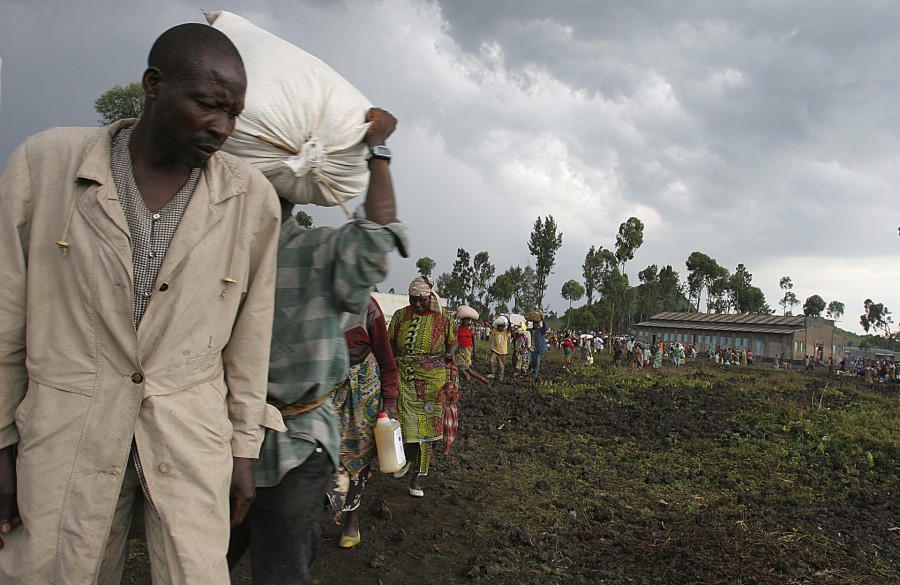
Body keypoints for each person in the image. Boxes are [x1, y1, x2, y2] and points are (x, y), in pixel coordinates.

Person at [0, 24, 282, 584]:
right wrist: (2, 442)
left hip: (189, 431)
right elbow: (7, 318)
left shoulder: (251, 201)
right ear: (154, 85)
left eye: (234, 114)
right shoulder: (46, 166)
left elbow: (251, 341)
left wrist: (243, 449)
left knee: (195, 572)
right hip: (66, 426)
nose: (222, 128)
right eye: (208, 106)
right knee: (55, 569)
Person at [226, 107, 408, 583]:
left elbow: (372, 244)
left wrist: (379, 151)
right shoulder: (219, 252)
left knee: (248, 568)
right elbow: (372, 242)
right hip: (241, 440)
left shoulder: (295, 251)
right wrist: (379, 151)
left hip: (274, 443)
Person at [326, 296, 398, 548]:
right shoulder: (312, 302)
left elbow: (387, 359)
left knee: (357, 455)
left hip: (363, 391)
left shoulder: (367, 306)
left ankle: (351, 521)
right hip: (325, 389)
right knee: (323, 453)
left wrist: (390, 401)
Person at [388, 277, 457, 498]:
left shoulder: (442, 317)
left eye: (421, 300)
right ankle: (406, 458)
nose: (417, 304)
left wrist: (450, 353)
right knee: (404, 422)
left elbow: (452, 341)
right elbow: (390, 344)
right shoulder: (400, 315)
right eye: (413, 300)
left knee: (428, 427)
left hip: (433, 380)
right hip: (404, 377)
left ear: (430, 297)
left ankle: (417, 476)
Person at [455, 311, 491, 387]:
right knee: (461, 363)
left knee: (467, 363)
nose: (466, 321)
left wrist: (475, 350)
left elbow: (473, 340)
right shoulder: (458, 329)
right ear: (462, 320)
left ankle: (467, 376)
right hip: (460, 348)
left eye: (467, 320)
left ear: (469, 321)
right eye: (464, 320)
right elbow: (456, 340)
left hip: (468, 349)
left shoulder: (471, 329)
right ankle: (465, 376)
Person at [489, 317, 511, 381]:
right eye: (499, 326)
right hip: (495, 350)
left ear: (503, 327)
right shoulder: (495, 330)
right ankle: (493, 373)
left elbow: (509, 327)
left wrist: (507, 320)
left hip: (503, 352)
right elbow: (492, 338)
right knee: (491, 361)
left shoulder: (505, 332)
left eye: (502, 326)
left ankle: (500, 377)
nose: (500, 328)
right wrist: (491, 347)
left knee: (501, 365)